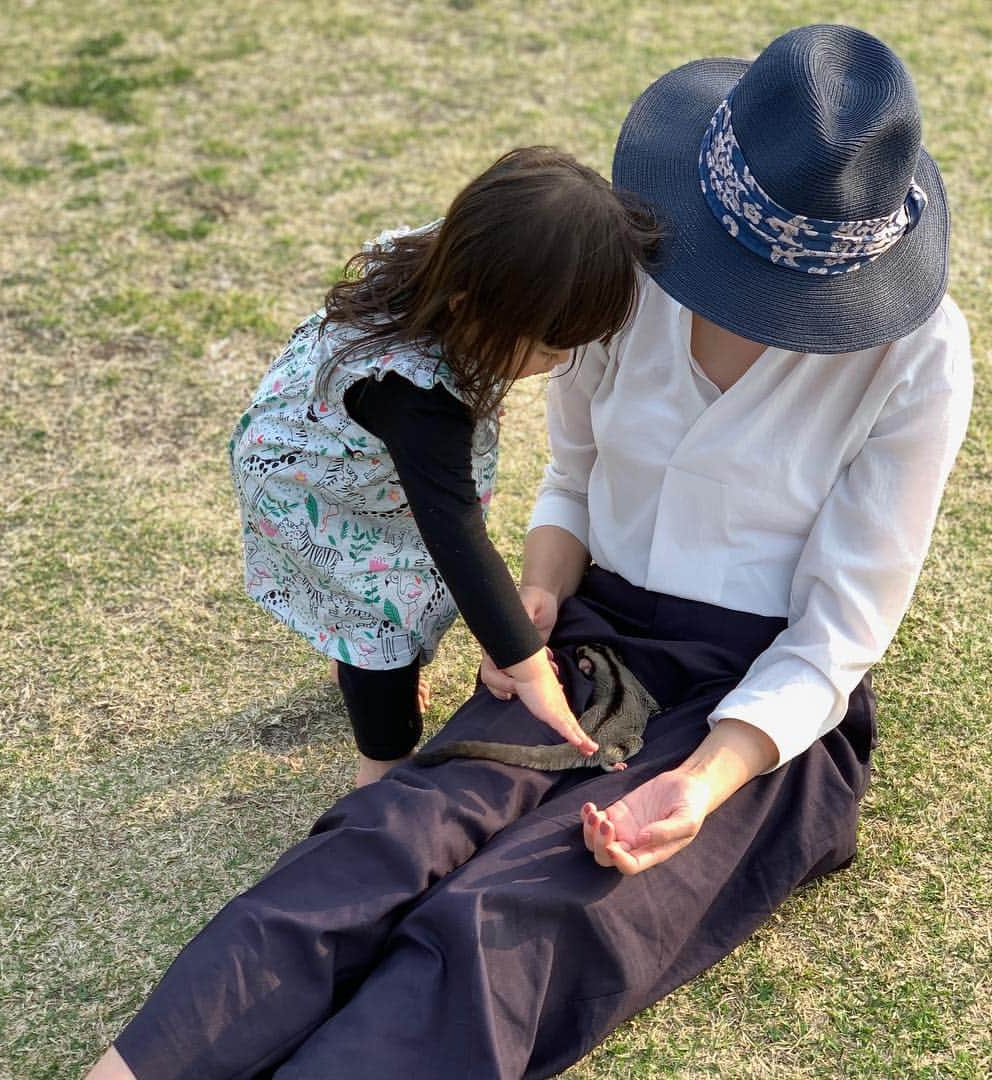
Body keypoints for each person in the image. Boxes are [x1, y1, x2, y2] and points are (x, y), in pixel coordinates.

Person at [87, 24, 972, 1079]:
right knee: (388, 840)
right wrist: (544, 588)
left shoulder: (918, 356)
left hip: (753, 700)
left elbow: (839, 637)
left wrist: (699, 784)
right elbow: (574, 477)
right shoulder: (624, 274)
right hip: (588, 641)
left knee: (512, 919)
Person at [228, 147, 659, 787]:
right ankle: (382, 771)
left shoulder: (461, 257)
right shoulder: (418, 399)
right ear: (468, 305)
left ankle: (355, 657)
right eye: (547, 348)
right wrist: (529, 665)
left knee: (385, 593)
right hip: (312, 486)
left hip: (343, 452)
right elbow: (457, 537)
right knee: (382, 626)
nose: (556, 365)